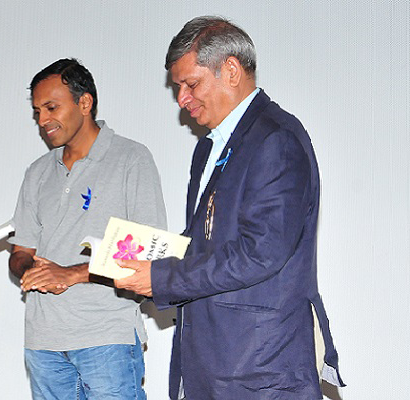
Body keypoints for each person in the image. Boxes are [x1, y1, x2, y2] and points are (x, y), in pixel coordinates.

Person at [114, 16, 345, 399]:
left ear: (232, 70)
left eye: (191, 84)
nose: (181, 99)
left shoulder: (276, 138)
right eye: (177, 88)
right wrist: (141, 258)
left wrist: (162, 278)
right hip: (212, 363)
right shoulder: (208, 146)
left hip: (261, 369)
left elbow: (261, 252)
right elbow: (204, 242)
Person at [8, 58, 166, 400]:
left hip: (106, 336)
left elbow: (147, 255)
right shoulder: (37, 172)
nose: (43, 120)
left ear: (85, 102)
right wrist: (31, 270)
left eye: (51, 107)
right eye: (37, 111)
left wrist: (71, 274)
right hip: (43, 341)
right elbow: (21, 252)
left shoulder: (131, 159)